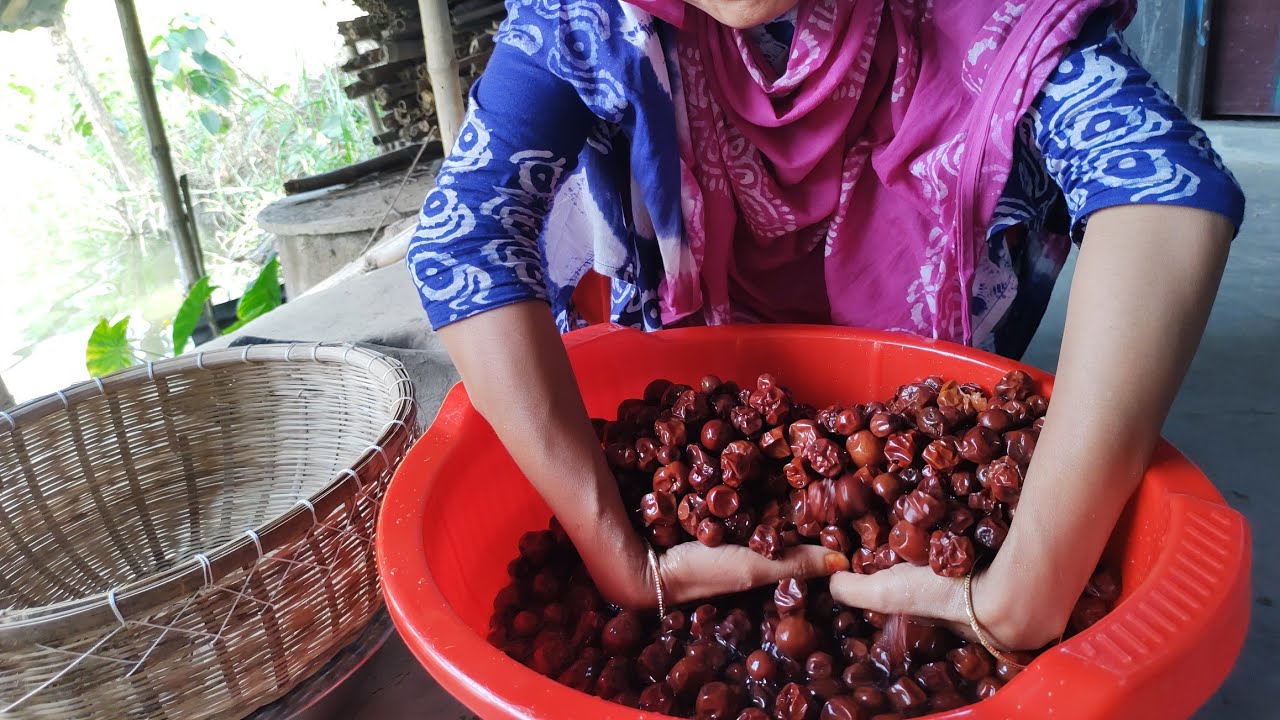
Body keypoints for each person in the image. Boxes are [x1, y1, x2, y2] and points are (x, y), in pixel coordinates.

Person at [407, 0, 1244, 653]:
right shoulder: (589, 17)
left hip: (930, 371)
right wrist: (621, 561)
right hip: (717, 349)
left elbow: (1162, 188)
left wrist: (1025, 593)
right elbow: (466, 236)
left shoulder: (994, 15)